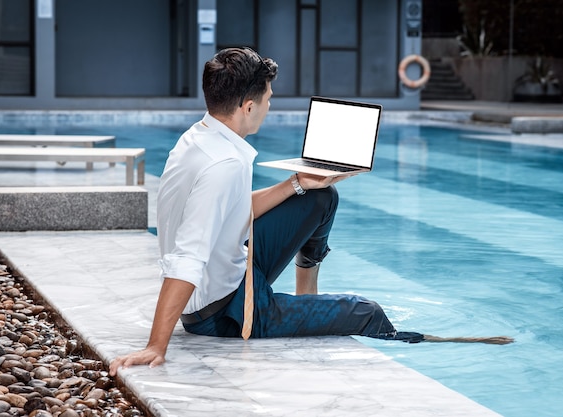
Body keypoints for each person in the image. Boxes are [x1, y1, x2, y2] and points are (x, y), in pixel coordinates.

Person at [109, 47, 512, 376]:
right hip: (227, 312)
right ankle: (369, 332)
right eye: (267, 99)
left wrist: (297, 183)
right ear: (247, 106)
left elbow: (229, 212)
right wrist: (155, 346)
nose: (269, 105)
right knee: (367, 312)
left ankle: (306, 298)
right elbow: (188, 257)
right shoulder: (225, 164)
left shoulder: (202, 139)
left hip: (233, 272)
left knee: (320, 198)